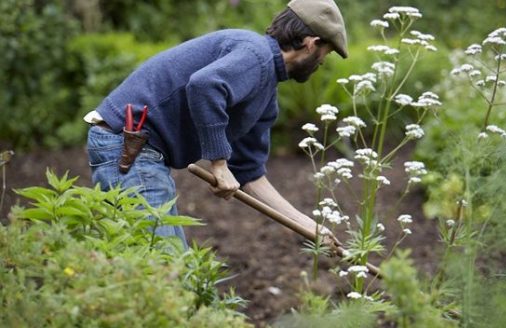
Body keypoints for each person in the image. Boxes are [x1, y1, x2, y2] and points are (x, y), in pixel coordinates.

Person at [84, 0, 347, 251]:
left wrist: (308, 226)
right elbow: (204, 86)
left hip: (144, 154)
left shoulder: (266, 93)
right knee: (163, 266)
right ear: (311, 44)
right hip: (129, 145)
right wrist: (219, 164)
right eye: (327, 52)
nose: (323, 62)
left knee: (171, 266)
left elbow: (249, 172)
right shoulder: (256, 54)